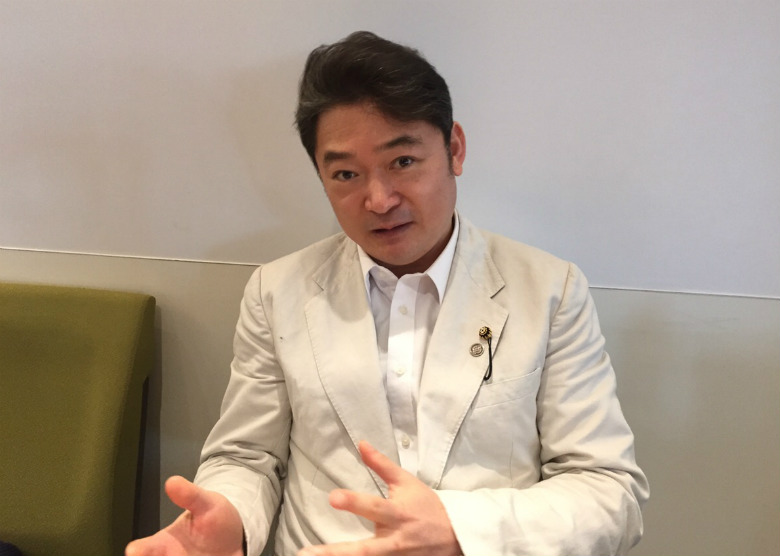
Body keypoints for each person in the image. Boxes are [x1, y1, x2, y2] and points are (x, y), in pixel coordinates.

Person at [126, 31, 649, 556]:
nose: (378, 199)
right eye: (346, 174)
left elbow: (608, 492)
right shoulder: (276, 291)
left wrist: (460, 529)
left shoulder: (550, 290)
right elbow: (248, 457)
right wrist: (231, 520)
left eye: (402, 162)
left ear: (454, 149)